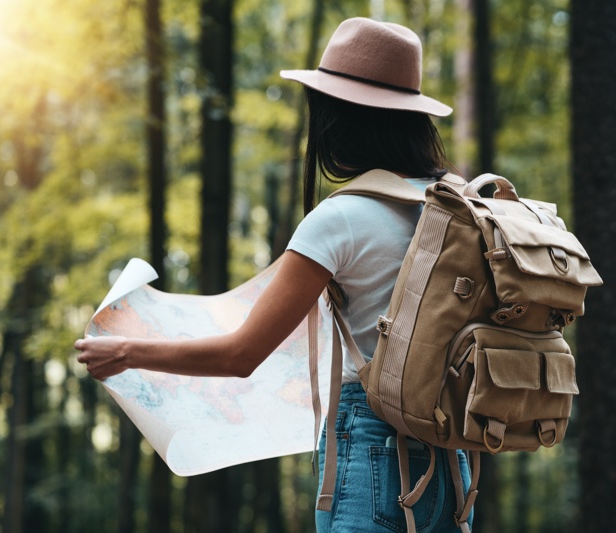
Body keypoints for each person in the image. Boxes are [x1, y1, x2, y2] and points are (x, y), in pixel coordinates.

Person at [76, 17, 472, 532]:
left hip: (375, 453)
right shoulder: (458, 208)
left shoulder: (341, 218)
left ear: (336, 116)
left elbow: (241, 355)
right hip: (454, 463)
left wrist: (127, 351)